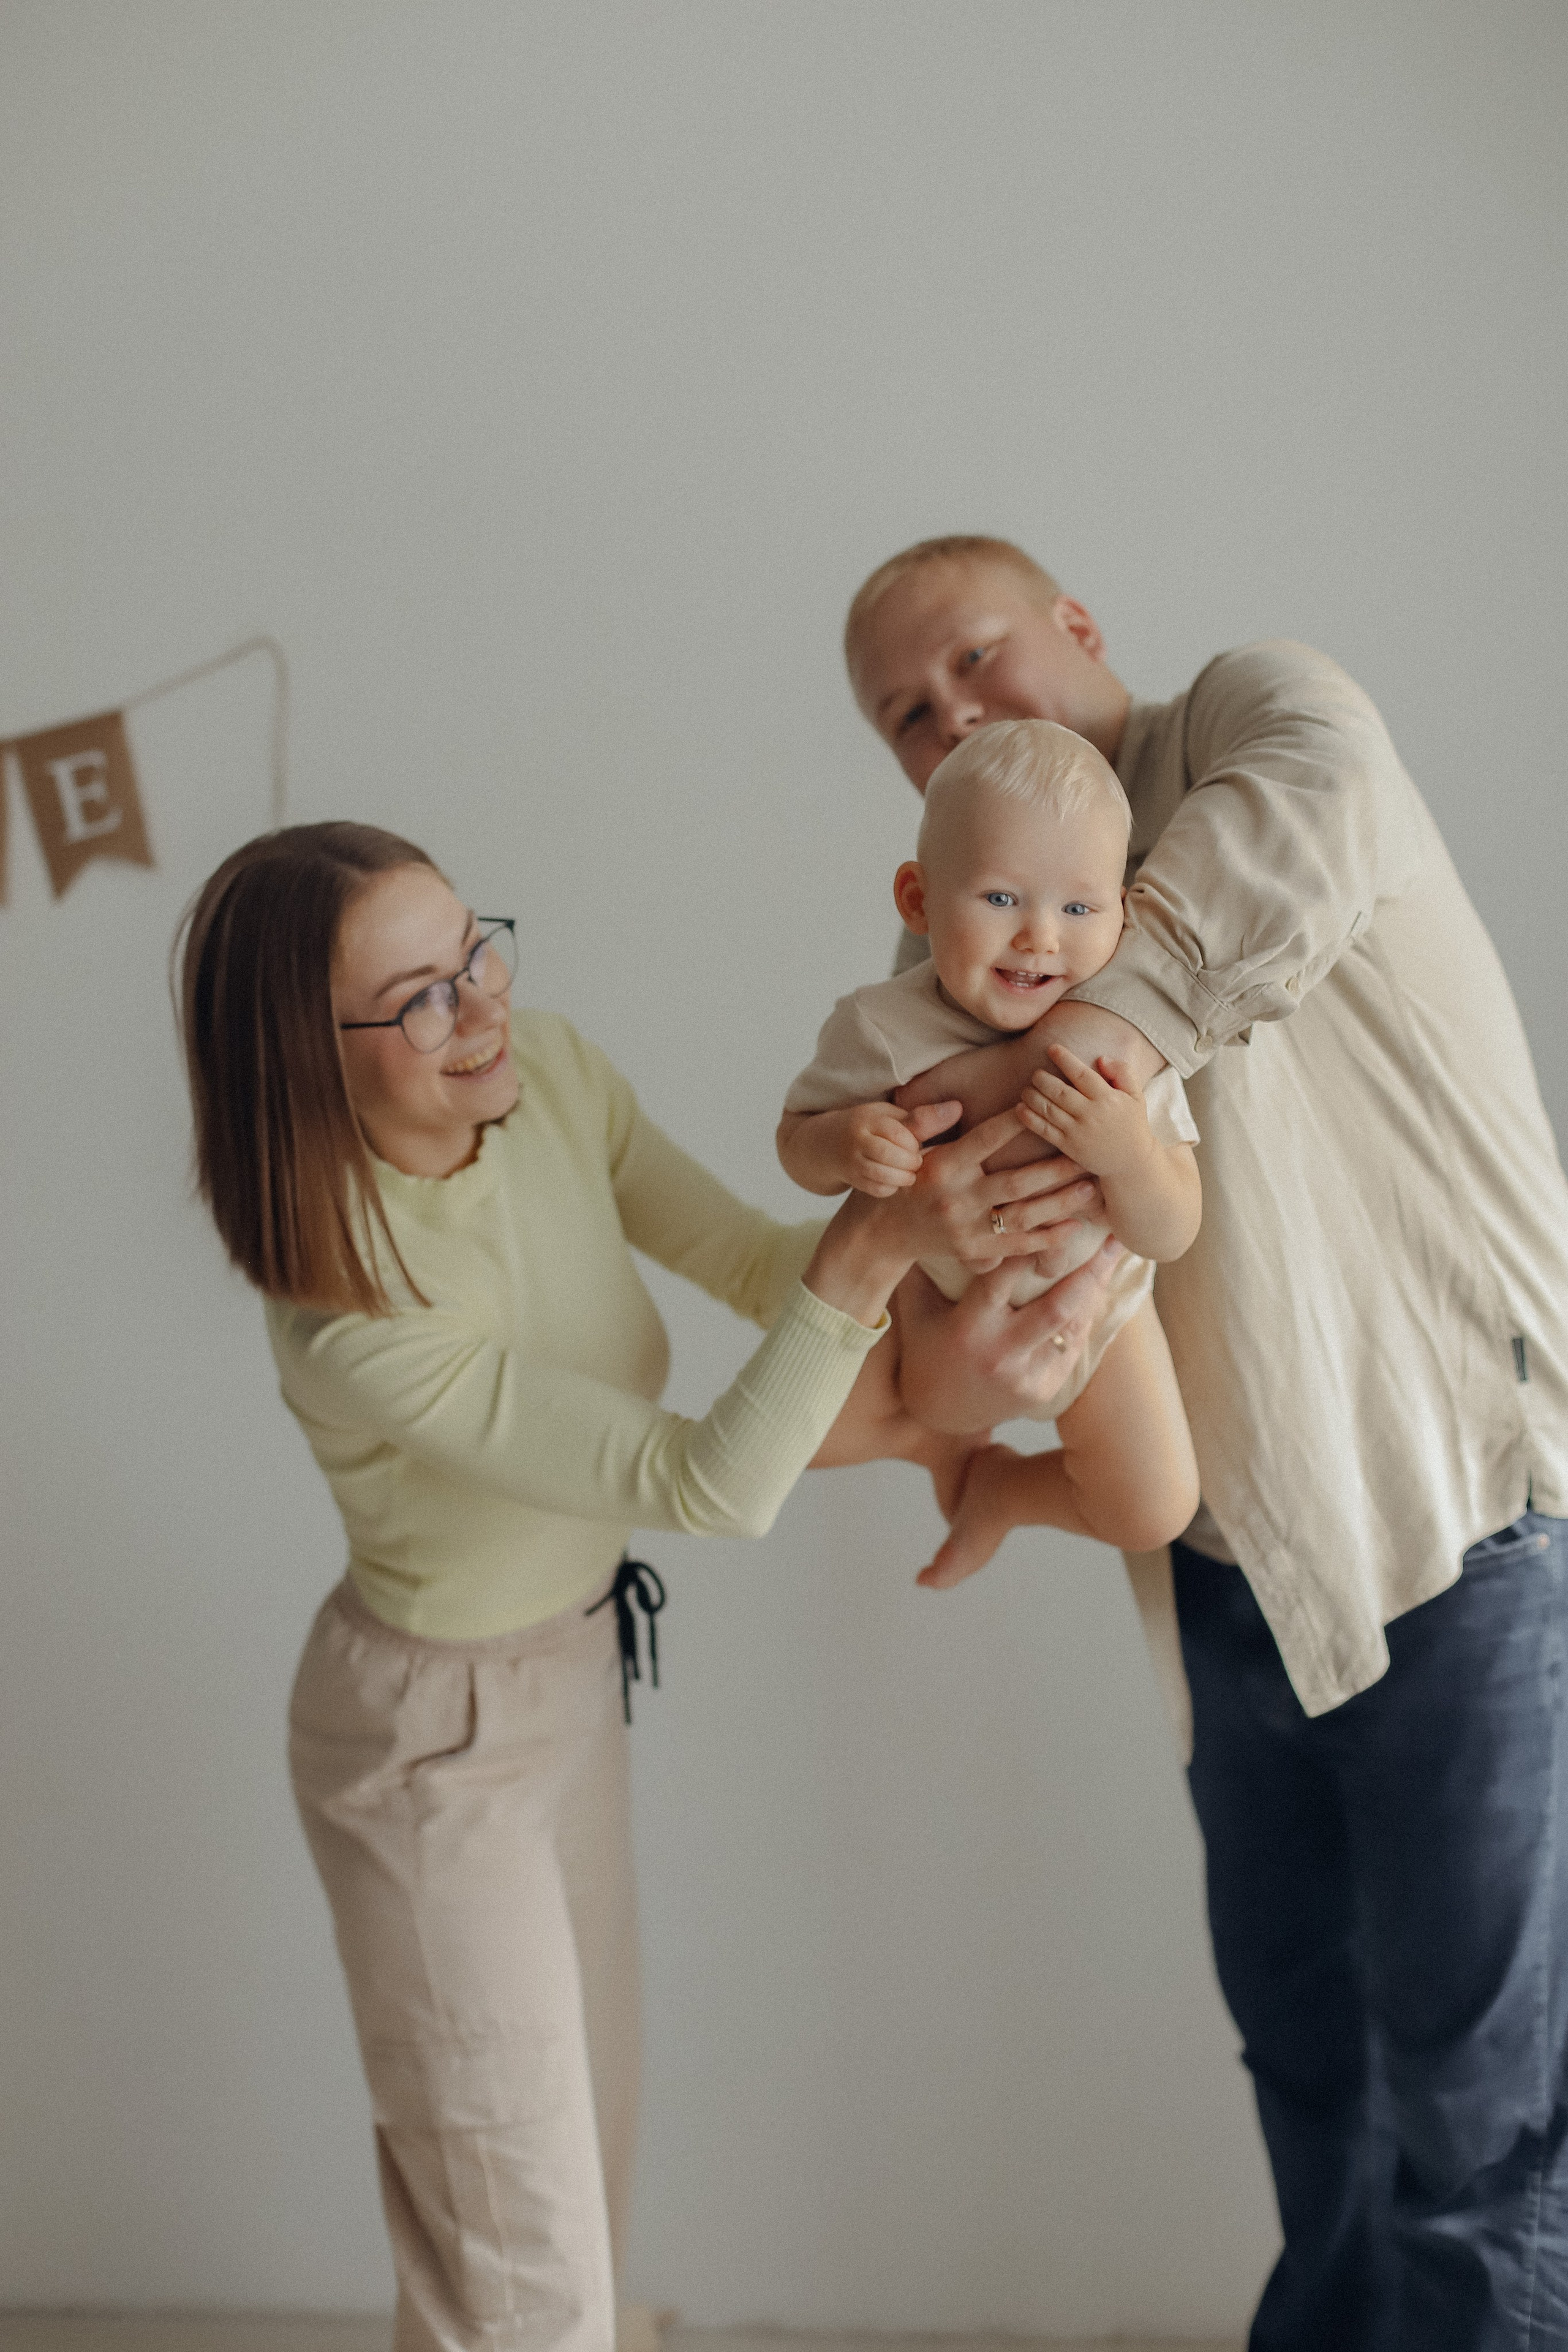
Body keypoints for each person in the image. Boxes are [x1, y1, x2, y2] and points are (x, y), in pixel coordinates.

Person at [174, 819, 1109, 2352]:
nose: (483, 1008)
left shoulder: (549, 1075)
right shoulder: (347, 1314)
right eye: (419, 999)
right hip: (428, 1749)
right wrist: (882, 1281)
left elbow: (750, 1265)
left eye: (475, 950)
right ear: (300, 1058)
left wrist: (941, 1235)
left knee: (569, 2200)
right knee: (517, 2262)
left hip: (574, 1668)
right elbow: (706, 1483)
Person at [841, 535, 1568, 2351]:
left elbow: (1283, 850)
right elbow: (954, 1323)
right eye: (907, 715)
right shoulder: (963, 957)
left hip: (1459, 1518)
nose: (952, 719)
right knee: (1310, 2077)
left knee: (1481, 2127)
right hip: (1229, 1570)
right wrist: (947, 1339)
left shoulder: (1261, 712)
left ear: (1078, 628)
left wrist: (1027, 1069)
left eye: (975, 661)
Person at [778, 715, 1200, 1586]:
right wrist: (844, 1144)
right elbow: (795, 1144)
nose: (1041, 937)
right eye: (1003, 898)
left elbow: (1174, 1229)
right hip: (935, 1299)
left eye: (1079, 908)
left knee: (1153, 1510)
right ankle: (948, 1442)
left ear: (1122, 917)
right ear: (918, 899)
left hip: (1101, 1308)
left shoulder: (1117, 1044)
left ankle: (1004, 1493)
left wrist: (1129, 1153)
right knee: (797, 1438)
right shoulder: (881, 1029)